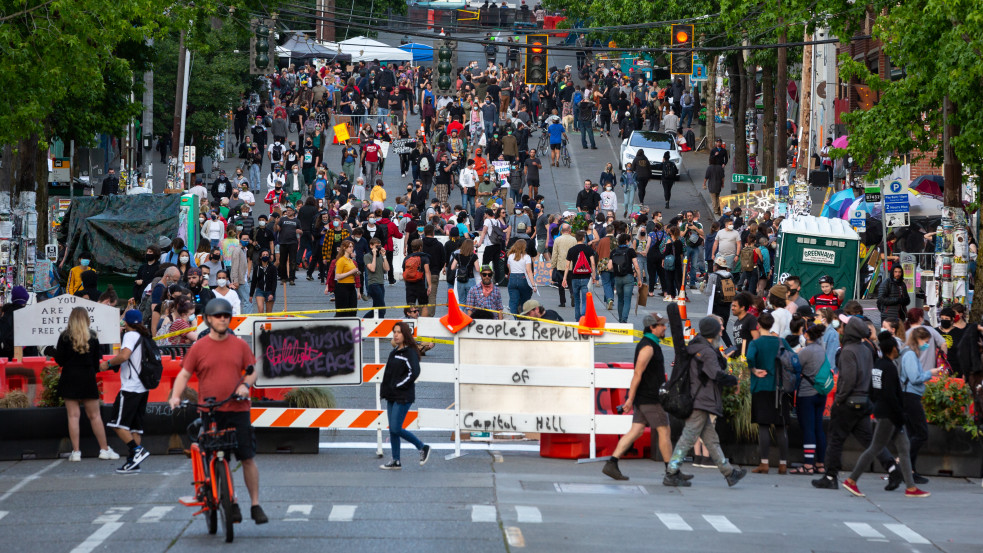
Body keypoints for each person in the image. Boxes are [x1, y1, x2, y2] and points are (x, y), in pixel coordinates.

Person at [168, 299, 268, 524]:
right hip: (210, 410)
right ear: (209, 320)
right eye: (218, 316)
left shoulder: (239, 345)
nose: (222, 319)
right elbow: (184, 374)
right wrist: (175, 396)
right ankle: (225, 498)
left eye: (226, 316)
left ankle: (255, 504)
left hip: (238, 408)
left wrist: (245, 384)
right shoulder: (199, 348)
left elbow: (252, 371)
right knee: (211, 454)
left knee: (247, 457)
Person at [813, 316, 902, 491]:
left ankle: (831, 476)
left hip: (848, 402)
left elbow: (848, 379)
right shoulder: (867, 349)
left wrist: (839, 399)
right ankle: (893, 469)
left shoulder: (848, 351)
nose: (842, 328)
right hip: (864, 401)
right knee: (870, 440)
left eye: (844, 325)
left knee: (836, 440)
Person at [603, 313, 692, 481]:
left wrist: (633, 398)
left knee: (635, 431)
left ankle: (612, 463)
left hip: (645, 397)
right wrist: (630, 399)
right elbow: (637, 373)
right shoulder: (648, 347)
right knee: (665, 432)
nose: (665, 327)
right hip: (650, 398)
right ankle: (671, 473)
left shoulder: (651, 344)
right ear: (652, 327)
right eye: (661, 325)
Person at [840, 333, 930, 498]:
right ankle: (852, 480)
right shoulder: (889, 368)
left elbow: (874, 391)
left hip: (884, 411)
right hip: (890, 415)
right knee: (875, 448)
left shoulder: (878, 365)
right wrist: (899, 417)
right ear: (893, 349)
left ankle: (910, 487)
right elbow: (890, 395)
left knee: (903, 448)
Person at [663, 317, 746, 487]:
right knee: (688, 437)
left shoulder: (699, 347)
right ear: (713, 332)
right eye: (719, 329)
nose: (721, 331)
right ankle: (671, 472)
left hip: (698, 397)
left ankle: (729, 473)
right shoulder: (707, 352)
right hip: (701, 399)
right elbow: (715, 373)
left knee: (711, 440)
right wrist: (733, 380)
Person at [54, 307, 119, 462]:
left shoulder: (64, 336)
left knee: (73, 416)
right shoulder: (93, 336)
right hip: (87, 377)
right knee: (95, 416)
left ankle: (76, 452)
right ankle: (104, 449)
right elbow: (97, 361)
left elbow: (60, 360)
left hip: (69, 376)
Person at [99, 310, 152, 473]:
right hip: (143, 387)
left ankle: (137, 450)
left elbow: (124, 355)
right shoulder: (144, 336)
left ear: (126, 323)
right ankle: (133, 462)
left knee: (117, 423)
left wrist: (107, 364)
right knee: (135, 427)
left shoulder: (130, 335)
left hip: (130, 387)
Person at [379, 322, 432, 470]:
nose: (395, 335)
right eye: (394, 332)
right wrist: (386, 390)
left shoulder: (410, 353)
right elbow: (388, 375)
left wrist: (398, 386)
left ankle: (422, 447)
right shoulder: (394, 352)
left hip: (403, 395)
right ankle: (396, 460)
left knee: (396, 428)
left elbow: (414, 372)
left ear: (405, 335)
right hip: (391, 395)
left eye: (399, 332)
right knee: (392, 429)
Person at [745, 312, 791, 475]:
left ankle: (764, 463)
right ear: (771, 325)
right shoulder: (781, 341)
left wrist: (754, 369)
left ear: (758, 325)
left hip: (761, 387)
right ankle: (783, 463)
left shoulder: (756, 343)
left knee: (763, 425)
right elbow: (792, 358)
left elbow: (749, 357)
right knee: (780, 426)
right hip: (780, 388)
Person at [902, 326, 944, 484]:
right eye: (925, 342)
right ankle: (907, 466)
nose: (926, 345)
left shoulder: (908, 353)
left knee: (913, 433)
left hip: (909, 395)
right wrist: (930, 373)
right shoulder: (911, 355)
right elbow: (915, 377)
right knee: (921, 433)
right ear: (918, 340)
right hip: (911, 395)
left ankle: (910, 469)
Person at [790, 323, 830, 474]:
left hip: (807, 394)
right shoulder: (822, 350)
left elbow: (793, 365)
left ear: (806, 335)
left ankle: (807, 465)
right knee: (818, 428)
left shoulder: (806, 351)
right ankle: (820, 463)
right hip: (821, 393)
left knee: (808, 429)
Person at [562, 231, 598, 321]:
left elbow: (567, 265)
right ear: (583, 238)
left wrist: (564, 278)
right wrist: (594, 276)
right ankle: (583, 316)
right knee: (585, 299)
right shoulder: (588, 249)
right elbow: (593, 264)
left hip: (575, 277)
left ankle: (577, 319)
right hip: (586, 277)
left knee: (577, 299)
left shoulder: (571, 250)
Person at [608, 233, 641, 324]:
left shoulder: (614, 251)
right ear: (627, 241)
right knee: (627, 300)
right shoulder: (630, 251)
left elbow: (609, 267)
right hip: (628, 277)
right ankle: (624, 319)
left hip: (617, 277)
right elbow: (637, 266)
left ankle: (620, 318)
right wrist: (639, 279)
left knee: (620, 299)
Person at [506, 239, 537, 317]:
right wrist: (533, 285)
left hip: (512, 278)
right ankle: (523, 318)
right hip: (523, 278)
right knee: (525, 301)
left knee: (513, 301)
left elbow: (509, 269)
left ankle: (513, 318)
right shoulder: (526, 257)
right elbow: (529, 271)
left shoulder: (510, 256)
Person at [402, 239, 432, 314]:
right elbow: (427, 272)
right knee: (424, 305)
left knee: (411, 305)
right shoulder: (424, 257)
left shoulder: (407, 258)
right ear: (421, 247)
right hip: (421, 284)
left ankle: (412, 322)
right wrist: (430, 285)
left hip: (409, 284)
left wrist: (406, 284)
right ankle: (423, 324)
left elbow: (404, 272)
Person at [364, 238, 389, 318]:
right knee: (381, 308)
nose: (378, 247)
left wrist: (384, 256)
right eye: (376, 246)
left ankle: (365, 320)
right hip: (373, 284)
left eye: (379, 246)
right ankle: (380, 322)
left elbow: (387, 269)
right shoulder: (367, 256)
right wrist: (374, 255)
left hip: (381, 283)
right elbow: (372, 269)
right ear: (371, 246)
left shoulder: (381, 256)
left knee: (376, 308)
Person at [334, 239, 360, 317]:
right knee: (342, 311)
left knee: (353, 310)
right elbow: (337, 276)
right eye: (349, 247)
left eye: (352, 246)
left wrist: (356, 273)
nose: (352, 248)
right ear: (344, 248)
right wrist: (351, 272)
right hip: (342, 286)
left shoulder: (350, 260)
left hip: (351, 286)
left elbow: (352, 273)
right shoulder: (341, 260)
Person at [250, 248, 278, 314]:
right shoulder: (257, 268)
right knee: (260, 309)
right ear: (260, 256)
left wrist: (272, 294)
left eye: (267, 255)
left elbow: (274, 282)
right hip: (260, 290)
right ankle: (261, 324)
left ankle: (267, 324)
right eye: (263, 255)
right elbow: (254, 281)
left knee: (269, 312)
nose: (265, 256)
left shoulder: (273, 268)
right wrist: (251, 294)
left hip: (270, 291)